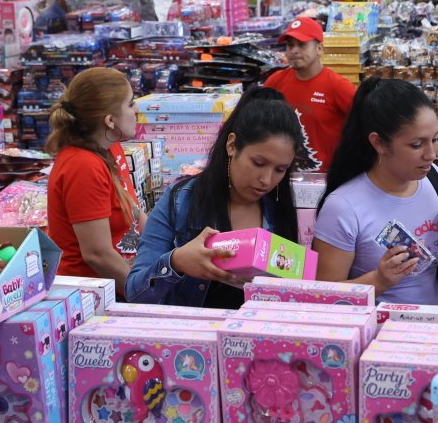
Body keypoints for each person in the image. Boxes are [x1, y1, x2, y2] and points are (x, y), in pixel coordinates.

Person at [125, 87, 302, 309]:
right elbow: (134, 292)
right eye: (258, 163)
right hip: (191, 339)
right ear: (231, 145)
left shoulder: (280, 209)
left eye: (280, 169)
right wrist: (176, 261)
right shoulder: (182, 200)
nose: (266, 180)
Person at [313, 78, 438, 304]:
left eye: (435, 139)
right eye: (416, 145)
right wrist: (379, 280)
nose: (431, 154)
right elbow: (323, 296)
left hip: (436, 328)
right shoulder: (343, 207)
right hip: (377, 334)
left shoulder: (434, 178)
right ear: (379, 143)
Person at [46, 68, 146, 296]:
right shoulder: (82, 166)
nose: (137, 110)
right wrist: (145, 293)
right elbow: (97, 254)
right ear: (110, 121)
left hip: (117, 284)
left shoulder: (109, 147)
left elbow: (135, 214)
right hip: (91, 299)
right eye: (130, 104)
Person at [264, 17, 356, 171]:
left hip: (326, 179)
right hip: (283, 178)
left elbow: (365, 123)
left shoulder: (338, 86)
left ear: (319, 49)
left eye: (302, 44)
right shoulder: (275, 82)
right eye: (290, 45)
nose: (294, 50)